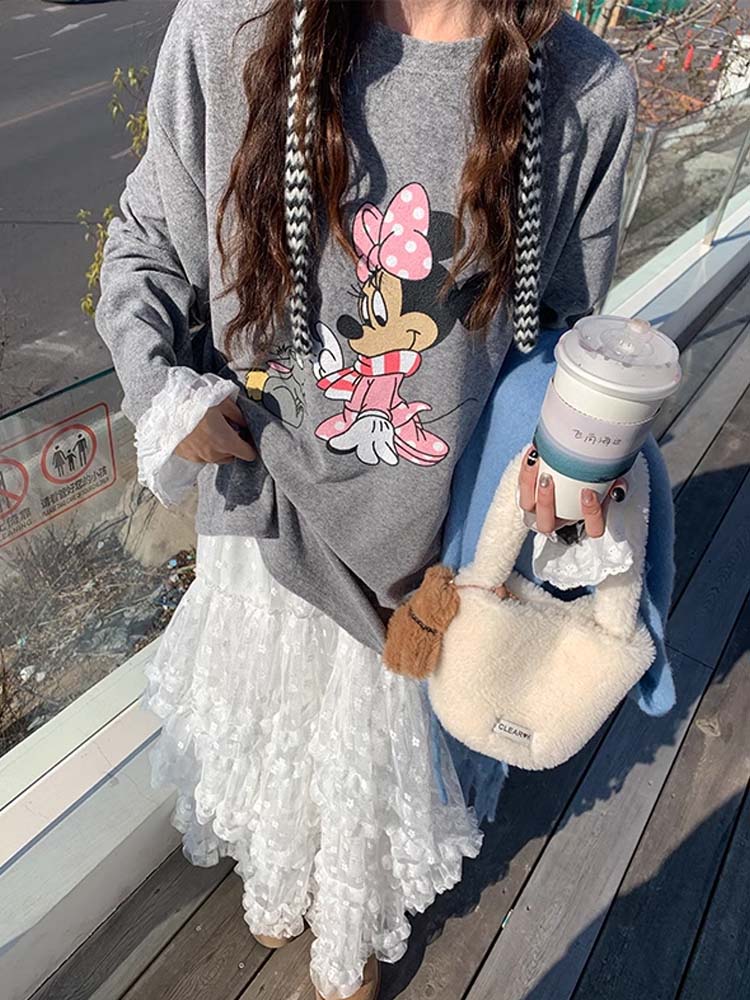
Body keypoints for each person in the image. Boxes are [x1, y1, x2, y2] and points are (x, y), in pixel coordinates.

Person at [94, 2, 645, 997]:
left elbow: (560, 338)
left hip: (427, 552)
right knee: (272, 728)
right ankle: (280, 883)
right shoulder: (233, 28)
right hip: (267, 507)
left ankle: (347, 933)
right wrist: (161, 387)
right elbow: (148, 242)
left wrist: (569, 458)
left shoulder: (583, 89)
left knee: (374, 769)